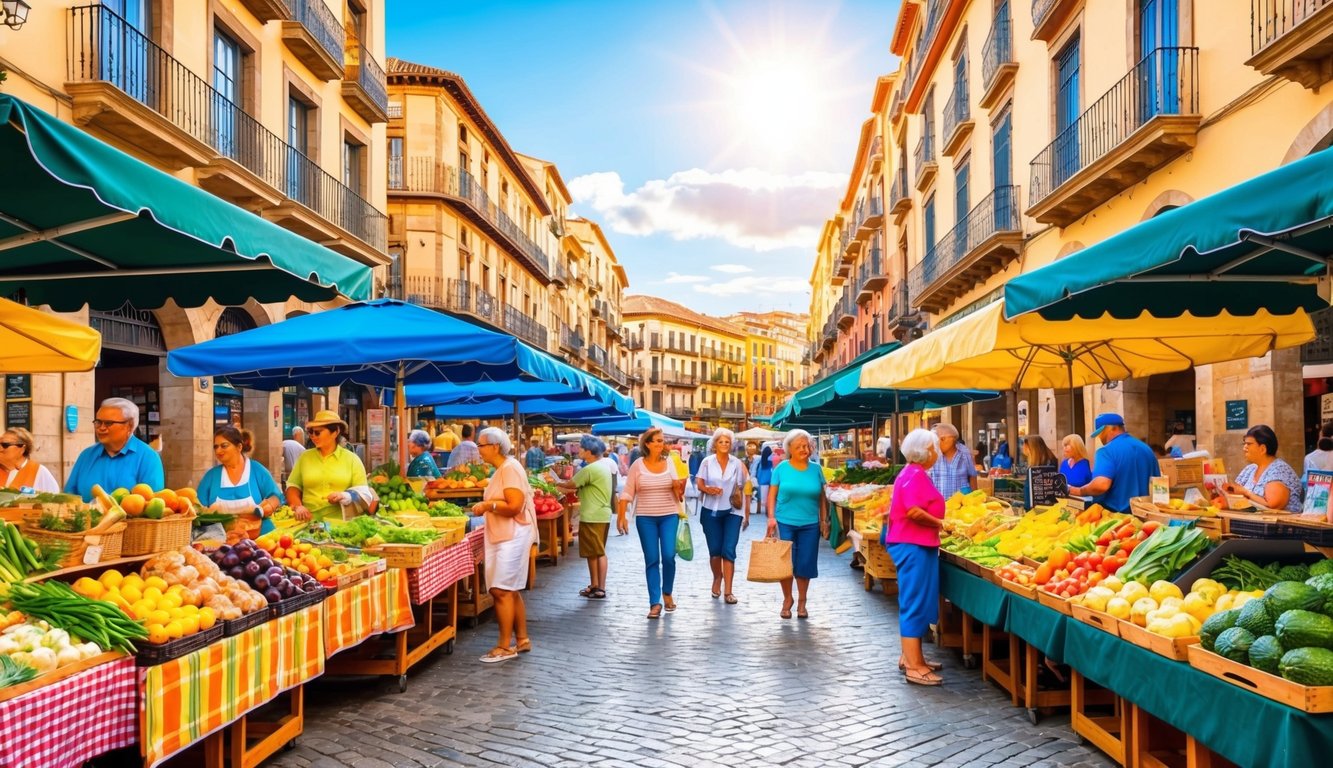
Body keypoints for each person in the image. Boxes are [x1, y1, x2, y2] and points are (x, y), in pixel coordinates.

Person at [883, 428, 946, 686]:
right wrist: (941, 523)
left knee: (918, 600)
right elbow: (914, 512)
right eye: (935, 448)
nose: (937, 452)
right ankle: (914, 665)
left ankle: (912, 656)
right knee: (914, 602)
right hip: (913, 544)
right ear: (926, 450)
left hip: (917, 543)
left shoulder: (914, 473)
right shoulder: (914, 475)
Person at [469, 427, 537, 663]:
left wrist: (489, 506)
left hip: (512, 534)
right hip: (505, 533)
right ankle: (522, 639)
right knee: (509, 588)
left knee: (501, 589)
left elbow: (514, 505)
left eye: (481, 445)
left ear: (495, 447)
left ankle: (505, 646)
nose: (478, 449)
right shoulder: (504, 469)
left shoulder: (509, 469)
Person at [618, 427, 686, 620]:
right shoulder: (637, 466)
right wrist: (622, 516)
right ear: (647, 444)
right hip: (645, 517)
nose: (660, 444)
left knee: (668, 556)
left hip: (669, 515)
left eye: (662, 441)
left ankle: (667, 592)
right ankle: (654, 603)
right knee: (652, 560)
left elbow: (679, 496)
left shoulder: (670, 463)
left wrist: (677, 487)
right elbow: (628, 492)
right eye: (656, 441)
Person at [766, 429, 828, 620]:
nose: (804, 449)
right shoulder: (782, 468)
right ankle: (787, 599)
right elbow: (772, 495)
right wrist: (771, 517)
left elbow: (823, 498)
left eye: (807, 446)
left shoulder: (816, 469)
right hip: (785, 522)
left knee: (805, 563)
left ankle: (802, 601)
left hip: (810, 523)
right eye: (799, 446)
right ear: (789, 449)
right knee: (786, 564)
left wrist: (824, 520)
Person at [65, 397, 165, 501]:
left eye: (108, 423)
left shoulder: (148, 458)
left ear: (129, 426)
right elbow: (69, 496)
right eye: (98, 422)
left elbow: (152, 505)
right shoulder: (86, 455)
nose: (101, 428)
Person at [196, 426, 283, 538]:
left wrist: (262, 510)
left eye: (224, 446)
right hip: (222, 543)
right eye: (215, 447)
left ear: (239, 447)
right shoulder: (211, 476)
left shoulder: (257, 470)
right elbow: (197, 508)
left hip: (260, 541)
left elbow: (275, 496)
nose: (218, 451)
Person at [284, 410, 371, 522]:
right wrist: (298, 506)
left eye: (318, 432)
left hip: (342, 524)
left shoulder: (352, 460)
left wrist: (345, 496)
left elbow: (364, 494)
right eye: (311, 432)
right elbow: (293, 486)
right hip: (308, 523)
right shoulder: (305, 457)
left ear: (335, 432)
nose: (313, 436)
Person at [696, 428, 750, 605]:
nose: (725, 444)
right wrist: (708, 489)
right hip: (710, 510)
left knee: (729, 550)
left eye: (728, 442)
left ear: (731, 445)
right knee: (715, 551)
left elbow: (746, 489)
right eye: (721, 442)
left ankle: (728, 591)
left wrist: (747, 514)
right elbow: (699, 483)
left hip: (733, 512)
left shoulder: (738, 464)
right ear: (715, 444)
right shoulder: (706, 462)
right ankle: (717, 577)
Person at [557, 436, 614, 600]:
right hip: (600, 513)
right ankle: (594, 584)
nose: (578, 451)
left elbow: (570, 484)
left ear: (589, 451)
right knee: (592, 552)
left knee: (598, 551)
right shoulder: (601, 467)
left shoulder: (591, 469)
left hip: (593, 515)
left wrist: (554, 483)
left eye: (581, 448)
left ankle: (601, 587)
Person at [1066, 413, 1160, 513]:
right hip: (1148, 516)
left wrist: (1078, 490)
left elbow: (1100, 485)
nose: (1100, 438)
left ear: (1113, 428)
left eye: (1102, 433)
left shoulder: (1106, 451)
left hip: (1118, 518)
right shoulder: (1146, 449)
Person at [1226, 425, 1303, 513]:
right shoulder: (1249, 469)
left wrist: (1246, 493)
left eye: (1249, 444)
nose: (1244, 448)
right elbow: (1235, 494)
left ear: (1262, 449)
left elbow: (1272, 506)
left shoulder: (1279, 471)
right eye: (1244, 444)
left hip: (1277, 525)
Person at [0, 427, 59, 493]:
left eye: (5, 445)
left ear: (22, 449)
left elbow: (55, 501)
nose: (0, 448)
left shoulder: (39, 472)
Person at [927, 423, 976, 498]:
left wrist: (974, 499)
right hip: (939, 504)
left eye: (942, 439)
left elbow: (972, 476)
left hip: (962, 505)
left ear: (952, 439)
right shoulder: (933, 454)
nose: (937, 443)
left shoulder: (965, 453)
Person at [753, 444, 775, 515]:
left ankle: (759, 510)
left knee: (762, 498)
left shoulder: (760, 460)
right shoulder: (771, 459)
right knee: (770, 496)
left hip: (762, 480)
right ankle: (768, 511)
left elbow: (755, 470)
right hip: (771, 479)